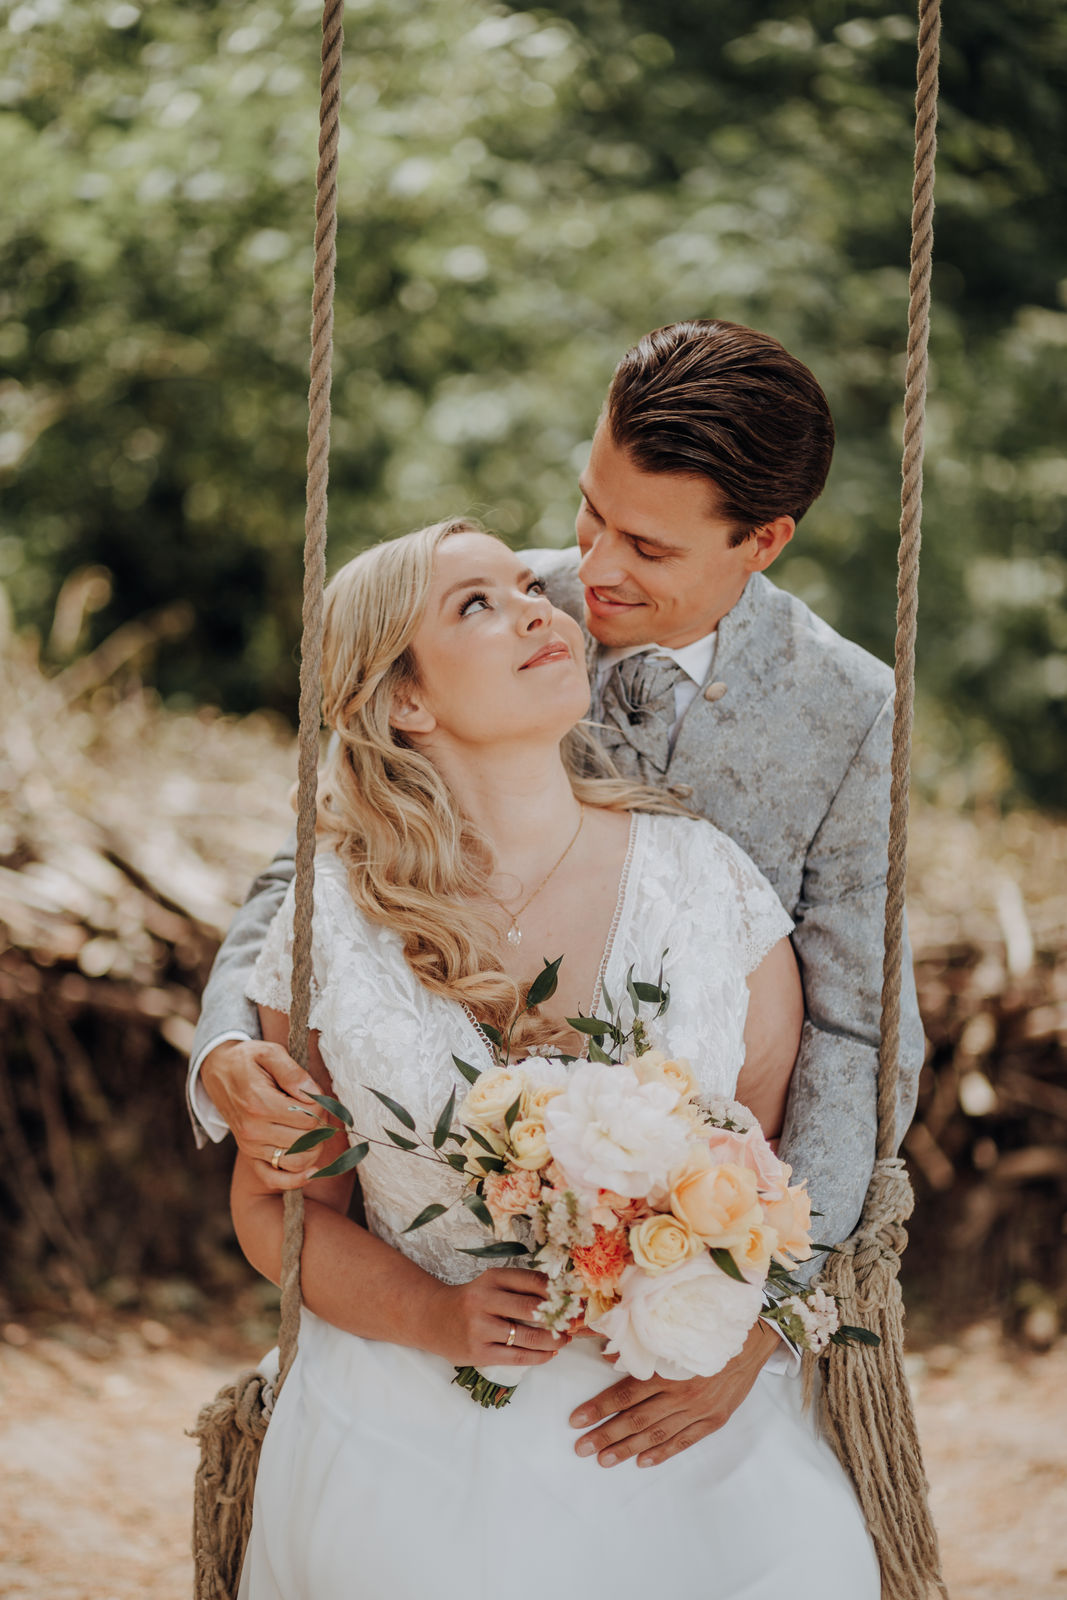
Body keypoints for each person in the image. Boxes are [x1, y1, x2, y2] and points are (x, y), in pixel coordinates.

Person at [190, 319, 924, 1463]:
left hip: (689, 1250)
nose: (590, 570)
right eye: (589, 508)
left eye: (645, 546)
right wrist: (226, 1039)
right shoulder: (492, 607)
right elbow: (323, 852)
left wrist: (755, 1308)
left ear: (762, 541)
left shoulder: (850, 712)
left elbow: (858, 1030)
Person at [232, 519, 880, 1598]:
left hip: (670, 1403)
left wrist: (713, 1316)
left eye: (526, 588)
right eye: (475, 604)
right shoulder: (330, 924)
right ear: (406, 699)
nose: (541, 607)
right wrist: (432, 1315)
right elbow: (283, 1212)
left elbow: (772, 1175)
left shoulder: (709, 888)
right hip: (409, 1404)